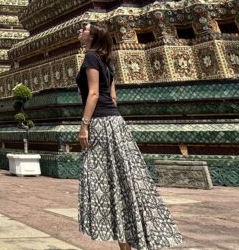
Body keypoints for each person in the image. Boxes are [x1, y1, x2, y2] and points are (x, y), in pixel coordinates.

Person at [76, 23, 182, 250]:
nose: (80, 31)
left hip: (100, 122)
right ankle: (130, 243)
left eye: (84, 29)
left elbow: (93, 94)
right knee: (123, 183)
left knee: (106, 184)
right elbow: (113, 97)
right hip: (116, 123)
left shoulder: (91, 58)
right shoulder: (107, 61)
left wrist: (84, 125)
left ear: (92, 36)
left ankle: (128, 243)